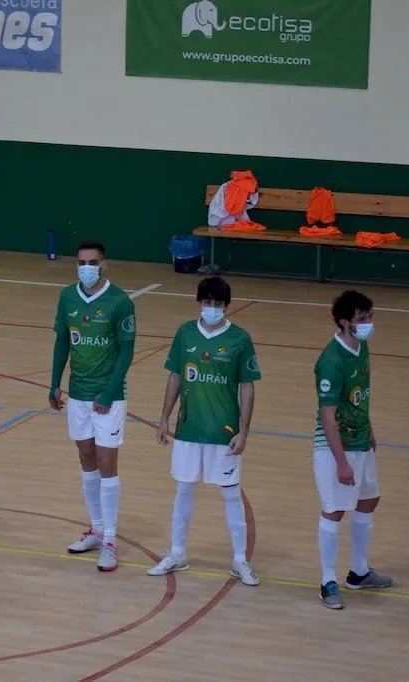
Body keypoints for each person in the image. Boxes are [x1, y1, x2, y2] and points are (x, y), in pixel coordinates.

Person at [148, 276, 261, 585]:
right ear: (199, 302)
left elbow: (247, 387)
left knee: (231, 493)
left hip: (224, 432)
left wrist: (243, 431)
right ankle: (177, 553)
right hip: (188, 429)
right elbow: (175, 376)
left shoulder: (240, 339)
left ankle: (240, 560)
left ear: (226, 306)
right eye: (208, 302)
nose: (213, 308)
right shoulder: (185, 333)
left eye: (219, 304)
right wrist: (164, 418)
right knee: (184, 489)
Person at [48, 240, 136, 572]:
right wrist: (54, 383)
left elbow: (127, 350)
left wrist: (110, 392)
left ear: (104, 265)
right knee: (86, 459)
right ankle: (97, 530)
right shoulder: (67, 297)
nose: (87, 268)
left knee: (106, 462)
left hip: (108, 397)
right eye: (82, 262)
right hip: (78, 394)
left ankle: (110, 540)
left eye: (93, 262)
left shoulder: (120, 301)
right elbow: (62, 341)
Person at [313, 290, 392, 609]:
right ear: (345, 322)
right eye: (362, 318)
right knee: (334, 510)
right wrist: (341, 462)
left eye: (370, 316)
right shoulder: (331, 361)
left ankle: (358, 572)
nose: (369, 322)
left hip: (360, 441)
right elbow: (328, 416)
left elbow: (359, 395)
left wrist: (369, 428)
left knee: (369, 500)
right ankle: (327, 582)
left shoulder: (362, 346)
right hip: (337, 448)